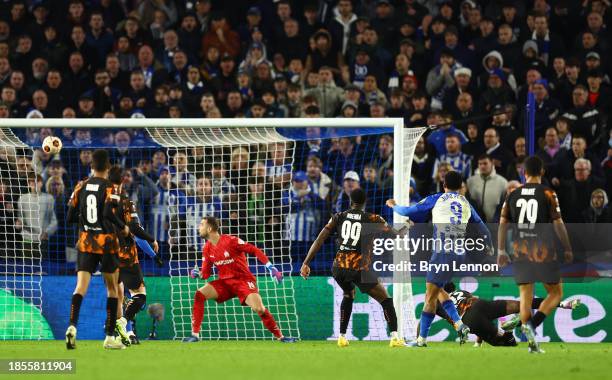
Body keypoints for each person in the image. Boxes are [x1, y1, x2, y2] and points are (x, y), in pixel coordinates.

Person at [386, 171, 492, 347]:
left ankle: (432, 336)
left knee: (430, 296)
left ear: (444, 185)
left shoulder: (438, 198)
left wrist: (394, 205)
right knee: (437, 292)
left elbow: (409, 210)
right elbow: (483, 229)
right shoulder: (466, 203)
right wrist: (490, 246)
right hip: (459, 254)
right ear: (461, 187)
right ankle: (451, 328)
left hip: (443, 252)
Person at [300, 188, 404, 348]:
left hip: (338, 267)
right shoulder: (373, 218)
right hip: (359, 268)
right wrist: (407, 227)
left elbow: (320, 239)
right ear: (365, 202)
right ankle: (395, 338)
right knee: (386, 300)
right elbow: (397, 235)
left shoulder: (339, 216)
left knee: (349, 294)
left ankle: (341, 337)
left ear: (350, 201)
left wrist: (306, 262)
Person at [497, 156, 573, 354]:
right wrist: (567, 247)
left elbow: (503, 223)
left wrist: (501, 250)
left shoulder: (513, 194)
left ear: (524, 172)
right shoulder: (548, 192)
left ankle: (532, 344)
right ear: (542, 172)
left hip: (520, 250)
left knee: (525, 297)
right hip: (543, 250)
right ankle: (532, 326)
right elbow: (558, 222)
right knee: (556, 293)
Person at [184, 216, 296, 343]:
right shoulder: (207, 249)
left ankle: (280, 337)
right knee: (200, 294)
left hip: (243, 280)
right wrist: (197, 274)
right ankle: (195, 335)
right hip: (225, 283)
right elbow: (206, 274)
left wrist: (270, 267)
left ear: (209, 228)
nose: (199, 227)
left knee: (259, 309)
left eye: (201, 224)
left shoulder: (231, 240)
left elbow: (253, 250)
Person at [65, 150, 125, 350]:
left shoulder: (80, 186)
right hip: (107, 243)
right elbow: (110, 214)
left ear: (91, 166)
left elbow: (70, 217)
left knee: (80, 287)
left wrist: (85, 224)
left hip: (85, 242)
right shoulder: (111, 188)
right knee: (112, 289)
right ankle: (109, 337)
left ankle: (72, 326)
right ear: (108, 168)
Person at [108, 166, 162, 346]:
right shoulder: (126, 202)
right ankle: (124, 327)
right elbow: (136, 233)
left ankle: (124, 333)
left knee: (118, 296)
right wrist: (153, 248)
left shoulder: (101, 203)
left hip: (106, 256)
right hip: (126, 257)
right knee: (138, 295)